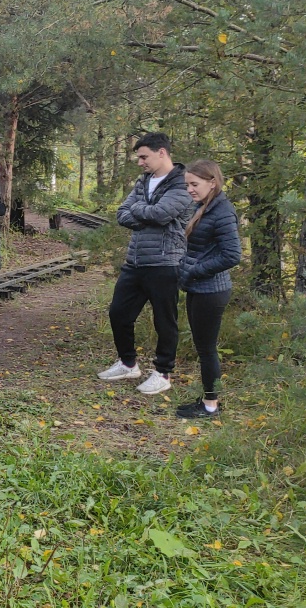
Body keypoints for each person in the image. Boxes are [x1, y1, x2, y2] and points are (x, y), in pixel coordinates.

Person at [98, 132, 195, 395]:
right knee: (118, 312)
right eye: (139, 157)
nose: (140, 162)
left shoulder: (181, 184)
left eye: (144, 157)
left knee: (164, 320)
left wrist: (141, 211)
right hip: (136, 260)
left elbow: (162, 214)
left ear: (161, 152)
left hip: (165, 262)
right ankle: (128, 363)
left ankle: (163, 373)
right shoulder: (144, 181)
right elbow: (122, 213)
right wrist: (147, 213)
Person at [176, 159, 242, 418]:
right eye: (187, 185)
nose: (190, 189)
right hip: (198, 288)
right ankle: (208, 399)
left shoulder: (223, 211)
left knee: (207, 350)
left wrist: (194, 271)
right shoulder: (204, 207)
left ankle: (211, 406)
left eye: (194, 184)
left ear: (212, 182)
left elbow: (232, 256)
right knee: (203, 348)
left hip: (211, 290)